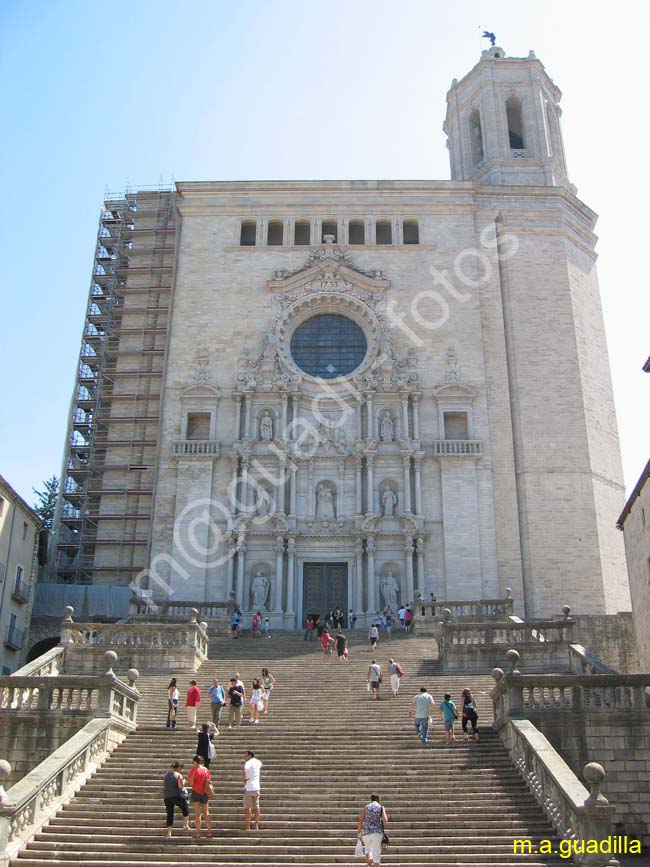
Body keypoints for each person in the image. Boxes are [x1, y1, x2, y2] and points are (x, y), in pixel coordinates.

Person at [356, 794, 388, 867]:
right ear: (378, 799)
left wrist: (358, 832)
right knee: (376, 854)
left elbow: (360, 820)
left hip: (366, 832)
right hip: (377, 833)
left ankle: (370, 862)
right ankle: (375, 864)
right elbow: (385, 821)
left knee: (368, 850)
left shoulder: (366, 807)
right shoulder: (381, 807)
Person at [163, 760, 189, 837]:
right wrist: (184, 782)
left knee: (170, 813)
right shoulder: (179, 775)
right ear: (179, 767)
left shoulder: (167, 774)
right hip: (176, 795)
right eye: (181, 768)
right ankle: (186, 824)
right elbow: (180, 786)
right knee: (185, 806)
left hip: (167, 796)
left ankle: (169, 832)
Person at [188, 754, 212, 838]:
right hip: (204, 792)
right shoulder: (205, 770)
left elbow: (191, 783)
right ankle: (209, 832)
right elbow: (208, 781)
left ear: (195, 761)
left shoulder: (193, 770)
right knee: (206, 812)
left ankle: (198, 833)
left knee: (197, 814)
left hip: (196, 792)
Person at [243, 749, 262, 831]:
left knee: (248, 807)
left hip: (249, 787)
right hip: (256, 787)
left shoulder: (248, 763)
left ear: (250, 755)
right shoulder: (258, 762)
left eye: (246, 755)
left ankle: (248, 826)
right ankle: (256, 825)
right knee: (256, 807)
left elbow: (244, 771)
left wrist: (244, 780)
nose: (245, 756)